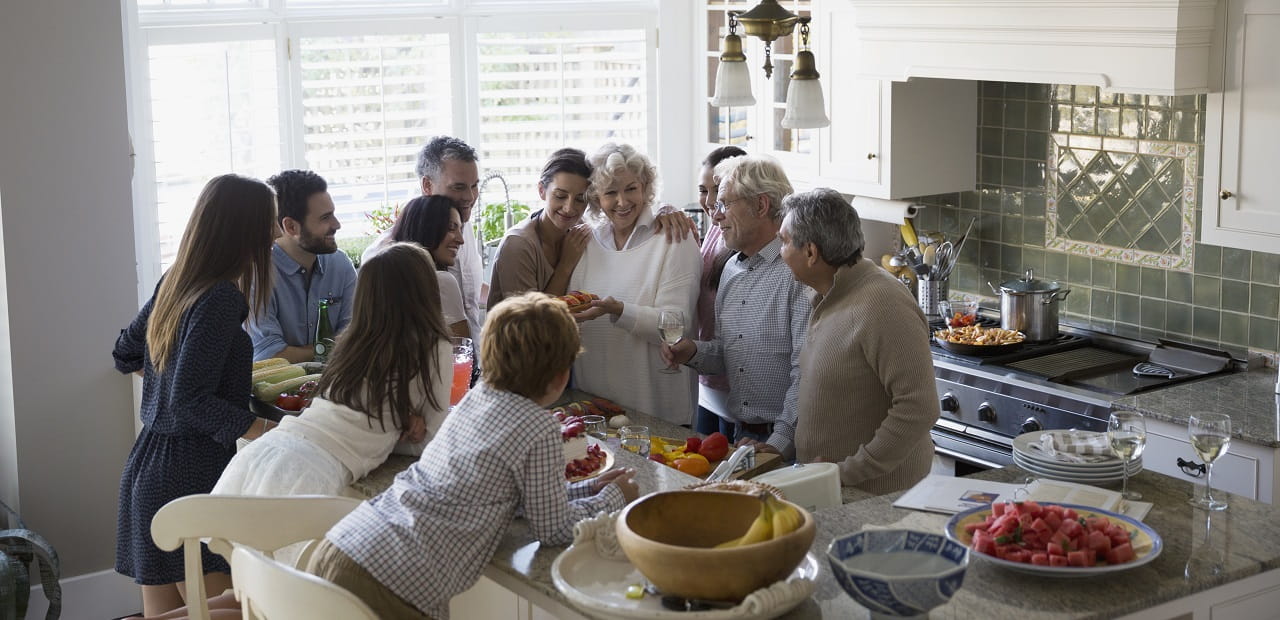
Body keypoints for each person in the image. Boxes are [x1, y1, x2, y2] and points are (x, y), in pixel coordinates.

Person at [306, 292, 639, 619]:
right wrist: (611, 498)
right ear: (561, 376)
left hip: (346, 547)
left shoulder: (475, 398)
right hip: (391, 585)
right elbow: (551, 530)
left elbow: (512, 495)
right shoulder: (539, 428)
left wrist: (586, 489)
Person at [111, 174, 279, 617]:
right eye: (270, 223)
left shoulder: (177, 281)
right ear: (244, 229)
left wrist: (166, 377)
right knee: (236, 608)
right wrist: (270, 430)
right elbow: (189, 401)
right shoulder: (220, 297)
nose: (277, 233)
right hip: (189, 474)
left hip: (148, 467)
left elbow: (126, 351)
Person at [215, 242, 452, 498]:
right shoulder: (434, 344)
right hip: (312, 473)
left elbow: (356, 414)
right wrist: (395, 433)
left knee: (224, 534)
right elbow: (432, 442)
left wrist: (390, 424)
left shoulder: (351, 341)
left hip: (267, 451)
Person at [779, 189, 939, 492]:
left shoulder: (883, 303)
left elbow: (919, 408)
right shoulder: (827, 296)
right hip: (832, 489)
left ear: (811, 252)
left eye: (784, 241)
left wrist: (846, 473)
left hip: (877, 499)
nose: (780, 252)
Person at [661, 155, 811, 459]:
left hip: (791, 441)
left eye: (724, 204)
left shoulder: (797, 273)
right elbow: (730, 353)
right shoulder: (731, 269)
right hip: (743, 435)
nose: (715, 217)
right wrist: (693, 352)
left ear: (761, 206)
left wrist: (780, 442)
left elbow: (806, 372)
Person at [570, 143, 702, 425]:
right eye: (610, 193)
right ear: (595, 197)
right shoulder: (585, 243)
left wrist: (618, 311)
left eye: (631, 188)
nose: (622, 201)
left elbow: (677, 325)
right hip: (595, 406)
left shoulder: (673, 238)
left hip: (656, 406)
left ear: (645, 187)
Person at [363, 136, 484, 344]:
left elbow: (468, 294)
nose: (470, 197)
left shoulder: (464, 228)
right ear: (427, 185)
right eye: (459, 187)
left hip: (471, 365)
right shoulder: (383, 255)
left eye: (474, 186)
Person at [251, 170, 358, 362]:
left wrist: (298, 352)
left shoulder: (340, 264)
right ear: (291, 227)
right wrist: (331, 348)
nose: (337, 224)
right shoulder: (257, 273)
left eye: (333, 214)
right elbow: (269, 355)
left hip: (336, 385)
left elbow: (358, 338)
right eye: (325, 218)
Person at [485, 148, 593, 307]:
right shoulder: (517, 244)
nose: (569, 208)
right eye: (560, 196)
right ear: (542, 191)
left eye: (580, 199)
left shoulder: (580, 230)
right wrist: (565, 265)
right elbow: (532, 321)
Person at [692, 145, 747, 436]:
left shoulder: (740, 236)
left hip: (731, 380)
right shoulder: (716, 227)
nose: (711, 202)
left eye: (718, 191)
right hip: (707, 373)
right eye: (703, 190)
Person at [388, 195, 470, 337]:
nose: (461, 240)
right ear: (426, 228)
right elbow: (461, 351)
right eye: (451, 228)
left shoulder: (387, 279)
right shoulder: (442, 281)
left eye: (460, 230)